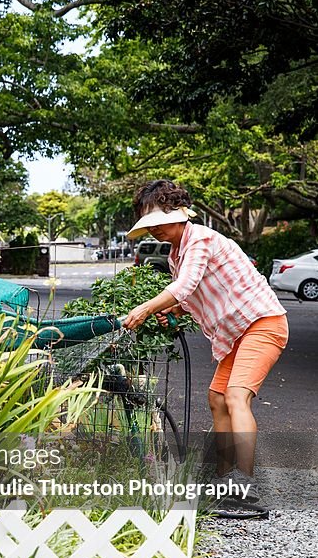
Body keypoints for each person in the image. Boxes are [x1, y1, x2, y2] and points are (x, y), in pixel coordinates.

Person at [123, 180, 288, 504]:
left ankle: (245, 480)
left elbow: (184, 286)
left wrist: (145, 308)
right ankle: (222, 477)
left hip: (262, 323)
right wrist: (174, 309)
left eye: (159, 222)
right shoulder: (175, 255)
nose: (154, 230)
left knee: (236, 397)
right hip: (237, 334)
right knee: (217, 398)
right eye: (148, 225)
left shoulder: (200, 239)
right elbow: (191, 294)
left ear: (180, 214)